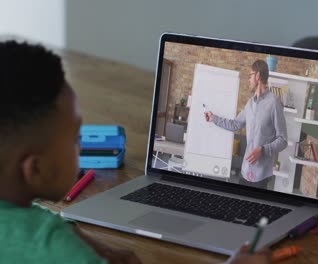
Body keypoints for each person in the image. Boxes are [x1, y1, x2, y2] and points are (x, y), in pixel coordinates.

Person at [0, 41, 271, 264]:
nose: (81, 146)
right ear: (34, 169)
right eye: (74, 138)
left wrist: (75, 234)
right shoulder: (55, 249)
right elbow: (235, 124)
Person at [205, 60, 288, 189]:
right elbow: (235, 124)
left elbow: (283, 140)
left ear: (258, 75)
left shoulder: (274, 103)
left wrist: (263, 150)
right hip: (245, 172)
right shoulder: (250, 104)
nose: (249, 79)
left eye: (250, 75)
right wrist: (213, 118)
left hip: (261, 177)